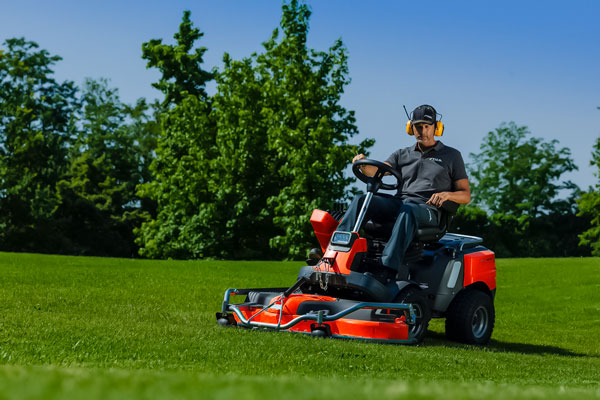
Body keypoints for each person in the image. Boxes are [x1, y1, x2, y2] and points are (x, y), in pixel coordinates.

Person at [336, 104, 471, 279]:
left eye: (426, 126)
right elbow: (376, 172)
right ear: (410, 128)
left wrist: (447, 195)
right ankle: (337, 254)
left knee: (409, 210)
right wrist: (363, 164)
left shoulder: (452, 156)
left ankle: (387, 268)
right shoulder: (401, 154)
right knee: (363, 200)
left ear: (436, 128)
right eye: (417, 126)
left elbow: (465, 195)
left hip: (428, 210)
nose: (422, 131)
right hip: (400, 203)